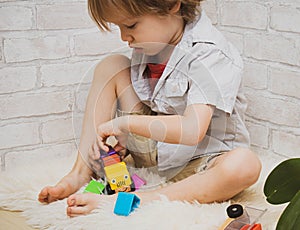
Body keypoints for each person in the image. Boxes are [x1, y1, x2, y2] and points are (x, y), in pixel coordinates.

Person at [38, 0, 262, 217]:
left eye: (131, 25)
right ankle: (80, 173)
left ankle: (145, 199)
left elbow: (192, 130)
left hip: (203, 162)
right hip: (157, 151)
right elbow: (154, 107)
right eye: (119, 27)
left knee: (245, 165)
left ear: (172, 4)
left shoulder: (211, 54)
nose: (124, 37)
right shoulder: (151, 44)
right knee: (112, 65)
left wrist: (125, 123)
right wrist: (131, 139)